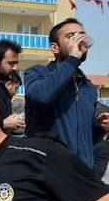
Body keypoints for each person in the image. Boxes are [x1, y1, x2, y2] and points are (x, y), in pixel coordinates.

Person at [25, 18, 109, 169]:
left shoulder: (88, 87)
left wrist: (100, 125)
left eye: (81, 35)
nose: (79, 40)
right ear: (55, 48)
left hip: (80, 173)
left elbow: (86, 138)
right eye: (71, 36)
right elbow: (41, 97)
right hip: (45, 172)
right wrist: (72, 59)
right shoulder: (37, 73)